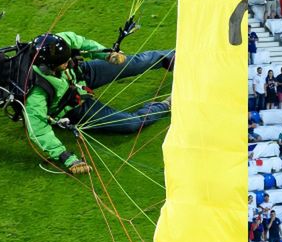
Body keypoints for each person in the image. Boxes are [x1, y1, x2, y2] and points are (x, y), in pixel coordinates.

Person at [22, 33, 173, 174]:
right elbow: (39, 130)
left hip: (81, 73)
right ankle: (166, 105)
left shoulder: (59, 42)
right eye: (63, 63)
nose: (68, 62)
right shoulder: (36, 94)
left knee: (133, 63)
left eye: (68, 59)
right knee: (130, 124)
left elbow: (80, 42)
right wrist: (68, 159)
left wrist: (107, 55)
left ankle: (175, 56)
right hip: (73, 107)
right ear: (47, 67)